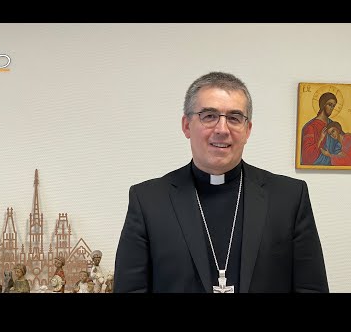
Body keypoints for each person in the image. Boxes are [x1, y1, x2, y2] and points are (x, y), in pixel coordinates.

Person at [114, 71, 329, 293]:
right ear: (187, 125)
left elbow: (311, 288)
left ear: (248, 130)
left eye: (235, 118)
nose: (222, 130)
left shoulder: (289, 197)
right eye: (209, 116)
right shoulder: (148, 200)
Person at [301, 92, 341, 165]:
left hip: (333, 163)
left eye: (333, 106)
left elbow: (342, 142)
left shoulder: (333, 124)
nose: (331, 108)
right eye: (329, 105)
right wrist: (320, 139)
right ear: (323, 104)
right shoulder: (310, 127)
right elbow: (306, 157)